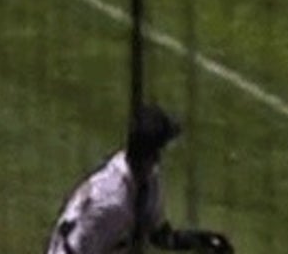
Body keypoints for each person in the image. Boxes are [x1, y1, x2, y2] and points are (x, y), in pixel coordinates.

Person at [44, 104, 233, 254]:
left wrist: (203, 241)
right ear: (152, 154)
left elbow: (159, 236)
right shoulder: (111, 202)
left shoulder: (148, 178)